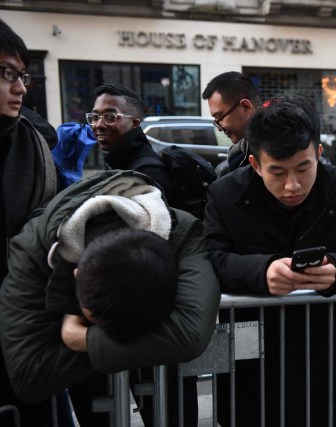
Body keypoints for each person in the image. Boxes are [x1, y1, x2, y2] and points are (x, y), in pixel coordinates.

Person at [203, 94, 336, 426]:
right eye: (277, 172)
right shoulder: (225, 194)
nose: (293, 185)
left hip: (318, 344)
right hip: (244, 346)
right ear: (255, 164)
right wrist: (261, 272)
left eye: (304, 168)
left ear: (319, 154)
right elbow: (211, 259)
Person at [0, 169, 220, 426]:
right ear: (76, 275)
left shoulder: (180, 229)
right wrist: (158, 343)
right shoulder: (30, 249)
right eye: (94, 321)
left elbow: (189, 336)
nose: (106, 332)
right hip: (89, 387)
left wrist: (79, 337)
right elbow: (29, 376)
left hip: (148, 384)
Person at [0, 18, 59, 426]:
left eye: (21, 75)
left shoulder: (34, 145)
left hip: (24, 330)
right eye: (6, 74)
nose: (20, 87)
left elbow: (46, 220)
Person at [87, 83, 179, 206]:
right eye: (95, 116)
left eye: (110, 117)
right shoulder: (120, 161)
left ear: (134, 123)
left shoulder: (147, 172)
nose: (99, 125)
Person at [201, 71, 260, 178]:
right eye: (215, 119)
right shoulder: (239, 155)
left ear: (246, 107)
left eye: (220, 117)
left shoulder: (271, 151)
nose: (219, 128)